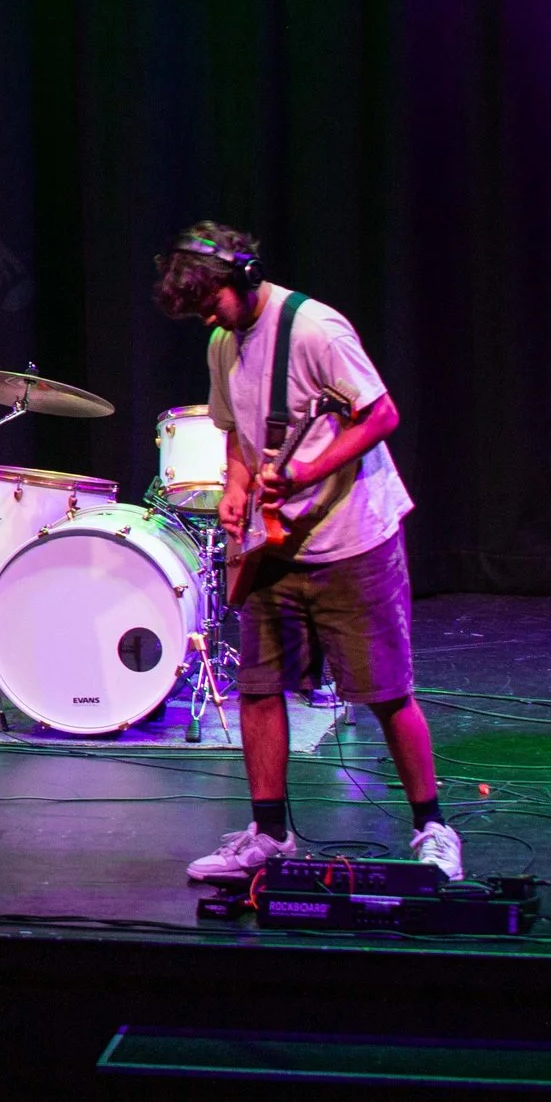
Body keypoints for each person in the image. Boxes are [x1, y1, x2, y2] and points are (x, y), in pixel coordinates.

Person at [154, 223, 460, 881]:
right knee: (260, 689)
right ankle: (268, 833)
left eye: (213, 303)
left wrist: (310, 466)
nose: (209, 319)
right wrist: (236, 489)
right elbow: (234, 432)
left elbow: (380, 414)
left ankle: (433, 827)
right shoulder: (221, 344)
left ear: (243, 277)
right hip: (275, 543)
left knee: (385, 691)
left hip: (354, 538)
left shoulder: (316, 329)